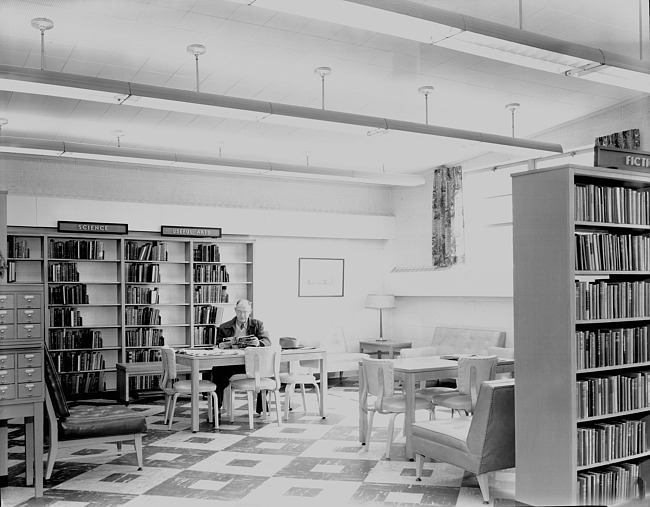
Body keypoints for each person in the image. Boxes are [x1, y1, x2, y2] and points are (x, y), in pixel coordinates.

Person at [211, 299, 271, 413]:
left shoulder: (258, 325)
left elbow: (267, 342)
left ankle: (261, 406)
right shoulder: (224, 327)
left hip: (252, 364)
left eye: (245, 312)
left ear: (250, 311)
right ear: (235, 310)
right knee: (217, 371)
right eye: (239, 311)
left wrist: (258, 343)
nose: (242, 315)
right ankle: (216, 408)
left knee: (265, 370)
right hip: (231, 364)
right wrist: (221, 345)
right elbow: (217, 345)